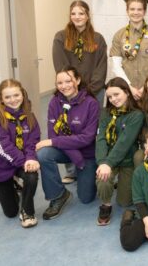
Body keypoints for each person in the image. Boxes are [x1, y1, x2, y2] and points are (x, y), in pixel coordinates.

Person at [52, 0, 107, 184]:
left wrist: (90, 91)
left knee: (92, 129)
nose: (77, 17)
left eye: (81, 13)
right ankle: (71, 169)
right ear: (70, 16)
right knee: (67, 126)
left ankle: (93, 163)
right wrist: (70, 86)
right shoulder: (61, 37)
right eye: (74, 13)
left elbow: (101, 66)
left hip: (93, 91)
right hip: (68, 90)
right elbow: (60, 66)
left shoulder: (97, 39)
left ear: (88, 15)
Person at [36, 67, 99, 220]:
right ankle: (58, 195)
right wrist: (76, 157)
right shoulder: (54, 102)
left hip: (87, 154)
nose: (64, 86)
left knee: (86, 199)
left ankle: (91, 176)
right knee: (43, 153)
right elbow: (53, 134)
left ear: (77, 80)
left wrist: (55, 142)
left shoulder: (91, 103)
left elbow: (87, 138)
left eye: (68, 81)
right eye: (59, 83)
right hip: (72, 153)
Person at [0, 79, 40, 228]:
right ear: (1, 99)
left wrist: (30, 159)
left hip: (23, 162)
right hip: (2, 166)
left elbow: (32, 142)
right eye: (7, 97)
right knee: (10, 212)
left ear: (22, 94)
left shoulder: (29, 115)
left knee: (32, 175)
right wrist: (23, 161)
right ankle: (15, 184)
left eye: (16, 95)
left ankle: (27, 212)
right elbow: (1, 147)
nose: (13, 100)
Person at [95, 77, 144, 226]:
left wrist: (108, 163)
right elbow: (101, 138)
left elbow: (124, 143)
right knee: (103, 178)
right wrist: (103, 162)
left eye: (116, 94)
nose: (113, 99)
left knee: (124, 202)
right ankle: (106, 204)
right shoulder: (105, 113)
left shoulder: (136, 115)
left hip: (127, 159)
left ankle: (119, 182)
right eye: (110, 97)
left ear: (127, 92)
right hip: (109, 158)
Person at [111, 0, 148, 101]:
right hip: (127, 91)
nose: (136, 12)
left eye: (139, 9)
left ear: (145, 12)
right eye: (132, 9)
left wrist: (147, 86)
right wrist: (129, 87)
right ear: (127, 11)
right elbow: (116, 66)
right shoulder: (119, 35)